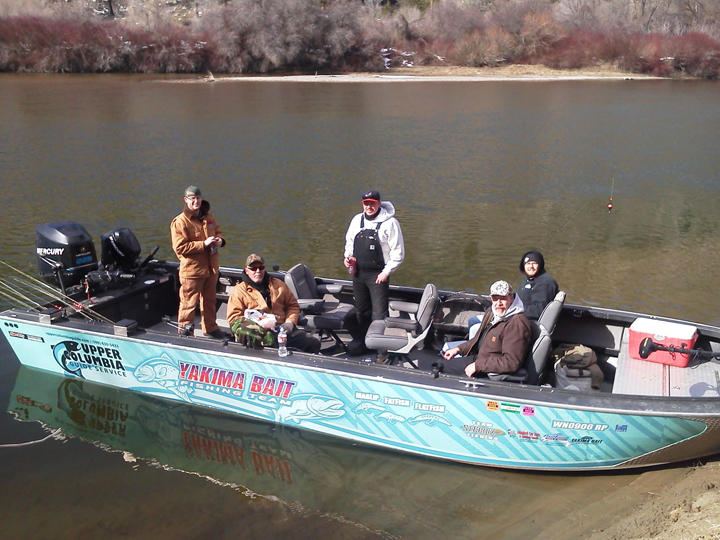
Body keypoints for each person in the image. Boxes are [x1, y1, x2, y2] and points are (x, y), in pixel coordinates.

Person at [343, 190, 405, 344]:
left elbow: (398, 253)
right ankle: (363, 343)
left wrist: (386, 272)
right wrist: (348, 258)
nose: (369, 207)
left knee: (378, 315)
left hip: (378, 275)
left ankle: (380, 351)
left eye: (372, 203)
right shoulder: (357, 220)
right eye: (366, 203)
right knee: (362, 311)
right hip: (358, 274)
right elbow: (349, 243)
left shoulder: (390, 223)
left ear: (379, 203)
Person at [226, 254, 321, 353]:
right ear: (246, 270)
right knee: (272, 343)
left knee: (313, 343)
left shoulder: (279, 284)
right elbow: (234, 318)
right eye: (253, 268)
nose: (258, 271)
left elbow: (292, 305)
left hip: (282, 330)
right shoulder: (239, 290)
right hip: (259, 333)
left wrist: (290, 322)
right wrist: (258, 327)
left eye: (261, 268)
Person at [441, 280, 532, 378]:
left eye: (503, 299)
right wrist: (458, 349)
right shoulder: (492, 312)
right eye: (495, 299)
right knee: (440, 366)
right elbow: (477, 339)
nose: (498, 303)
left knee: (446, 376)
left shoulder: (516, 323)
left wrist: (477, 366)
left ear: (511, 298)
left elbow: (511, 362)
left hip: (489, 369)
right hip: (480, 359)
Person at [170, 185, 226, 338]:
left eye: (198, 198)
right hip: (192, 271)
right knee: (188, 302)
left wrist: (220, 241)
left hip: (211, 268)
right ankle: (185, 332)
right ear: (186, 200)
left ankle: (211, 328)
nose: (196, 201)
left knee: (209, 300)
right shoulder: (180, 222)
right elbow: (180, 248)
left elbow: (218, 231)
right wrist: (204, 244)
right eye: (192, 198)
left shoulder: (208, 217)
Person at [517, 250, 559, 321]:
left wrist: (514, 309)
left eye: (534, 263)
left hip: (529, 322)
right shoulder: (527, 279)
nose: (531, 266)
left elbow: (538, 310)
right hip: (519, 316)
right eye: (528, 264)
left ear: (540, 265)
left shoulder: (546, 283)